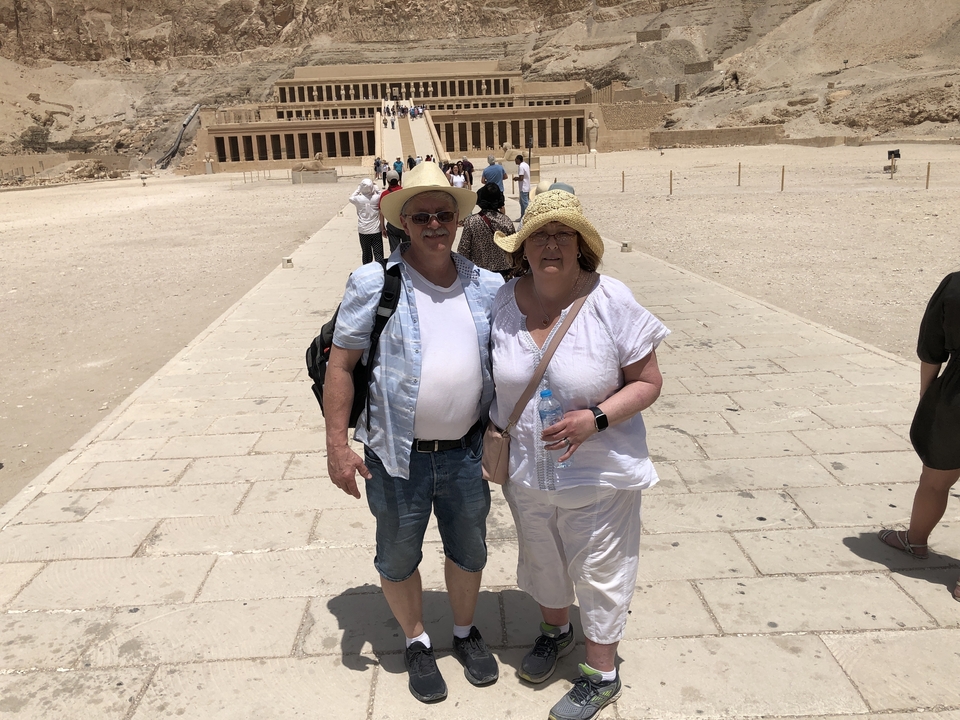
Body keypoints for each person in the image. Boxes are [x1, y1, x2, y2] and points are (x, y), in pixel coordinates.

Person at [326, 162, 504, 704]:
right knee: (399, 554)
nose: (433, 224)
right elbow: (341, 363)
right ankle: (417, 639)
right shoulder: (373, 281)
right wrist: (337, 444)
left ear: (457, 221)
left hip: (465, 451)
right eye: (420, 215)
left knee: (469, 549)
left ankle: (465, 632)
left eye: (442, 215)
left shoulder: (486, 283)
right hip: (396, 454)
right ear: (403, 222)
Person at [489, 189, 669, 720]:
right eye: (540, 235)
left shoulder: (612, 300)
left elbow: (649, 382)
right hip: (527, 470)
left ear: (580, 245)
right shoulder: (503, 301)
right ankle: (555, 630)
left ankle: (601, 673)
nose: (550, 245)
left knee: (599, 570)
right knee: (541, 558)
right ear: (523, 248)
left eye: (562, 234)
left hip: (599, 473)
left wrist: (596, 418)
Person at [878, 270, 960, 597]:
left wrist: (927, 395)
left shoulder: (955, 285)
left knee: (935, 481)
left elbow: (930, 349)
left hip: (955, 400)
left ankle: (915, 542)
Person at [457, 183, 514, 279]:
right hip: (503, 275)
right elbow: (514, 248)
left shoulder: (472, 221)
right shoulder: (506, 221)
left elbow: (463, 249)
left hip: (480, 274)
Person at [348, 179, 384, 264]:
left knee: (366, 254)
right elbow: (381, 194)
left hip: (363, 230)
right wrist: (375, 187)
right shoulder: (376, 198)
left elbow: (351, 198)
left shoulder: (358, 199)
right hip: (376, 230)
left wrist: (359, 189)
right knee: (378, 254)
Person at [379, 170, 409, 253]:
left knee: (395, 250)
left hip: (392, 224)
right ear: (398, 179)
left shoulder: (384, 194)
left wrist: (382, 228)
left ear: (387, 181)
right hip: (404, 224)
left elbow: (381, 212)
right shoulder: (404, 192)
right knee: (408, 249)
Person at [514, 154, 531, 219]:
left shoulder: (521, 166)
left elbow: (521, 178)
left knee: (525, 203)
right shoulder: (526, 165)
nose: (515, 161)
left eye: (516, 160)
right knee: (521, 202)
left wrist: (516, 178)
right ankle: (522, 216)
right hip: (526, 186)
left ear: (518, 159)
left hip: (523, 187)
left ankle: (528, 217)